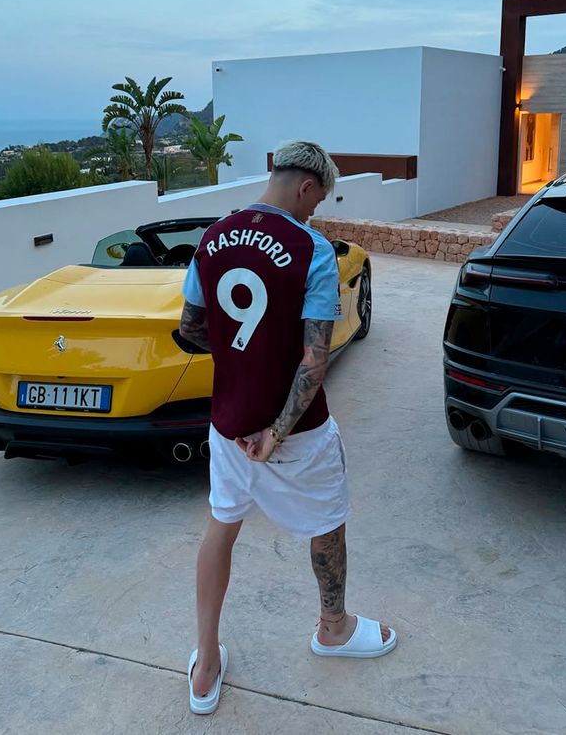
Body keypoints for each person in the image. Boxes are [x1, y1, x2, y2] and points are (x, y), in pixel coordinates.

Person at [180, 140, 396, 715]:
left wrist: (241, 361)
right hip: (296, 432)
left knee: (221, 525)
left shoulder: (211, 238)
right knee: (327, 523)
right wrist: (275, 432)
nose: (315, 212)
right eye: (317, 201)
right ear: (306, 186)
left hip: (228, 423)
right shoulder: (311, 249)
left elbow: (192, 327)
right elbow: (313, 360)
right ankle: (334, 628)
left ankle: (206, 664)